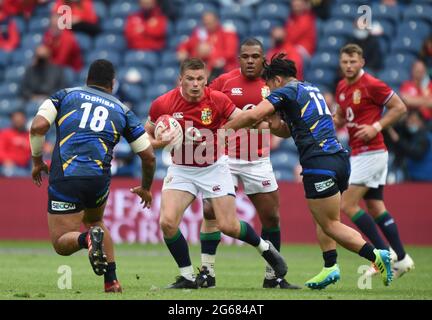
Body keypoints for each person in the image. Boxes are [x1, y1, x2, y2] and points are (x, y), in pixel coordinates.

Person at [224, 53, 394, 289]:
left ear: (278, 80)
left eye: (269, 85)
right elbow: (286, 130)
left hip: (318, 162)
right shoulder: (310, 89)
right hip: (339, 160)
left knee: (331, 224)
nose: (269, 90)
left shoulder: (285, 91)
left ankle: (377, 256)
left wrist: (221, 130)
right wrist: (272, 122)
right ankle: (330, 266)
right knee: (324, 218)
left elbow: (253, 114)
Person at [144, 58, 288, 289]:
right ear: (180, 80)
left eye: (200, 79)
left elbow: (244, 119)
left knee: (228, 225)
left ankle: (265, 249)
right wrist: (160, 142)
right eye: (190, 79)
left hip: (214, 168)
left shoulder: (218, 100)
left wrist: (272, 125)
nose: (195, 84)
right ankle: (188, 277)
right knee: (167, 222)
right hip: (182, 169)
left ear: (206, 80)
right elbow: (146, 136)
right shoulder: (163, 103)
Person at [30, 59, 156, 293]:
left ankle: (86, 239)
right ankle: (112, 281)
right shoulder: (122, 109)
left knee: (61, 243)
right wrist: (146, 188)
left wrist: (37, 161)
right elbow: (148, 156)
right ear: (113, 83)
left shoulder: (65, 95)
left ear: (87, 79)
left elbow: (37, 127)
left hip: (67, 176)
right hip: (99, 180)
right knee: (96, 221)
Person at [196, 38, 300, 289]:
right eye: (245, 56)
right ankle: (207, 273)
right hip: (225, 159)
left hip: (258, 160)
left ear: (263, 59)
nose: (250, 60)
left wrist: (270, 124)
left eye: (255, 56)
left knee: (271, 218)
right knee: (210, 212)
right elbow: (205, 112)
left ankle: (272, 277)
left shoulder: (273, 85)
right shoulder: (224, 82)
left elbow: (285, 131)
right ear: (238, 58)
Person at [329, 43, 413, 282]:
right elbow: (342, 118)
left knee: (347, 204)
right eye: (345, 61)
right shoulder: (342, 87)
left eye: (353, 61)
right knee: (375, 207)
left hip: (372, 152)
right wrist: (329, 118)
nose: (348, 65)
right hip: (358, 152)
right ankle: (402, 258)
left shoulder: (372, 84)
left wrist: (376, 126)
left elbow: (400, 107)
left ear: (362, 62)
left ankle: (382, 254)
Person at [176, 11, 238, 81]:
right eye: (205, 23)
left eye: (210, 23)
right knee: (181, 79)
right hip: (202, 66)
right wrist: (182, 50)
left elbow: (230, 53)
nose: (207, 25)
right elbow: (187, 43)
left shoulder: (227, 32)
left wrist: (211, 52)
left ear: (216, 21)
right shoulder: (201, 32)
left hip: (222, 69)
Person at [0, 110, 31, 177]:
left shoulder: (30, 135)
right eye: (16, 120)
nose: (18, 122)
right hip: (9, 166)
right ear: (12, 120)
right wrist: (6, 160)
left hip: (26, 166)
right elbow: (1, 151)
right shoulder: (5, 133)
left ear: (25, 120)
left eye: (20, 120)